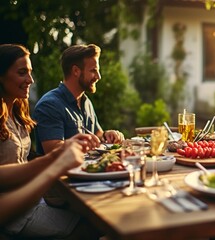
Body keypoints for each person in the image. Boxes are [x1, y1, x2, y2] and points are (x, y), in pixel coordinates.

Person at [0, 43, 100, 238]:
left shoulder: (18, 112)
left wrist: (57, 155)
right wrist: (56, 161)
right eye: (22, 73)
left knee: (94, 213)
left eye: (30, 72)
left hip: (33, 198)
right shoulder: (49, 104)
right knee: (91, 226)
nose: (30, 80)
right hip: (15, 210)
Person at [33, 43, 125, 155]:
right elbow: (53, 150)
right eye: (93, 71)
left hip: (89, 170)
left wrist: (107, 135)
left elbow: (97, 134)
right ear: (76, 71)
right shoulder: (49, 105)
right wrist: (82, 143)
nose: (98, 77)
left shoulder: (86, 102)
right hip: (63, 172)